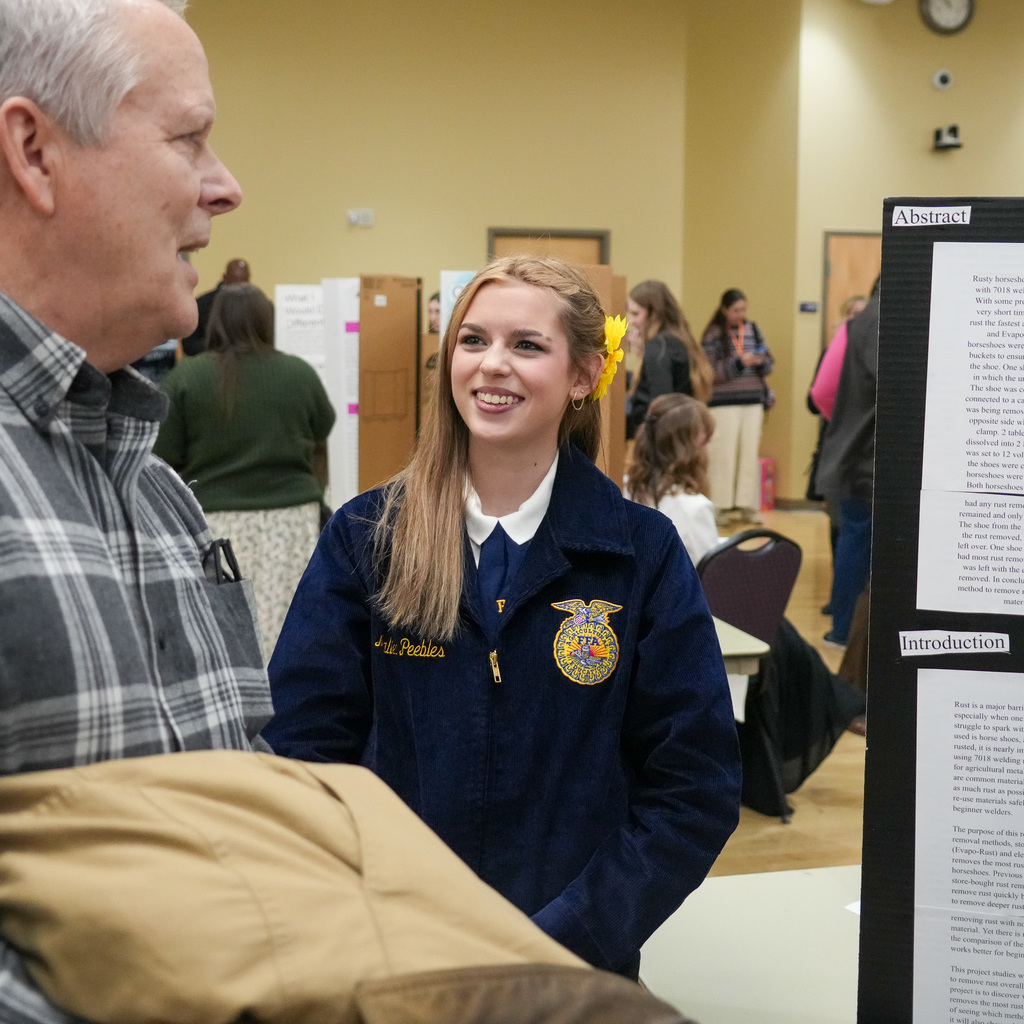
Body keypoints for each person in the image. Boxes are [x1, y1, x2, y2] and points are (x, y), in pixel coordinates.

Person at [264, 254, 742, 978]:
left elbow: (693, 788)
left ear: (584, 375)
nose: (493, 365)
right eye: (473, 340)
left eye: (526, 345)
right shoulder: (369, 539)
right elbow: (302, 760)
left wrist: (567, 938)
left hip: (573, 973)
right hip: (397, 964)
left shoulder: (639, 555)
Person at [625, 395, 867, 808]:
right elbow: (706, 575)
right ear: (690, 446)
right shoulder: (692, 505)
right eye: (705, 440)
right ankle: (841, 707)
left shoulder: (630, 488)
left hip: (648, 613)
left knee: (783, 637)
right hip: (690, 622)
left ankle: (843, 701)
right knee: (782, 639)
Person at [154, 283, 337, 658]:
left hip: (217, 526)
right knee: (291, 627)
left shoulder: (187, 378)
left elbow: (164, 460)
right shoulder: (298, 374)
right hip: (293, 520)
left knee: (226, 633)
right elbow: (321, 437)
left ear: (214, 320)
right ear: (269, 321)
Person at [816, 285, 880, 649]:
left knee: (852, 543)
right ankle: (845, 632)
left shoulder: (859, 322)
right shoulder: (884, 321)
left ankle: (841, 630)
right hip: (866, 460)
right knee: (857, 545)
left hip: (849, 455)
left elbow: (823, 392)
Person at [700, 288, 774, 526]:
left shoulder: (753, 330)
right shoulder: (713, 334)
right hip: (723, 405)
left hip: (752, 402)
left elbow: (770, 363)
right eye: (736, 310)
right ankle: (719, 506)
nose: (741, 314)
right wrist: (739, 364)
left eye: (744, 309)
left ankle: (746, 506)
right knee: (723, 455)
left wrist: (761, 362)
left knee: (748, 455)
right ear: (724, 310)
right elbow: (709, 372)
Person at [624, 279, 711, 439]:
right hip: (683, 432)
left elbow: (660, 402)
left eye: (636, 314)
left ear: (654, 314)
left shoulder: (658, 347)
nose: (631, 321)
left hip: (662, 440)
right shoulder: (678, 340)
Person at [180, 256, 251, 355]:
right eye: (234, 284)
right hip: (210, 364)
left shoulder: (257, 307)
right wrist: (219, 345)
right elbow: (189, 345)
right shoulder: (202, 304)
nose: (238, 289)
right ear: (225, 278)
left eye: (243, 284)